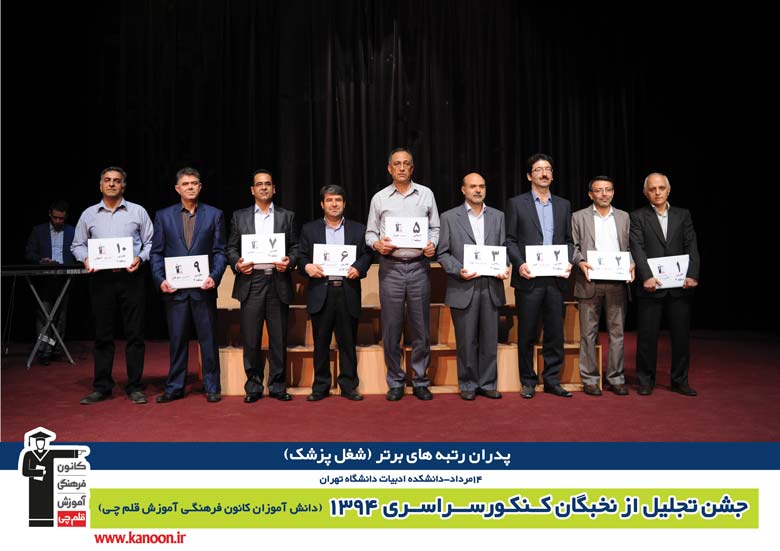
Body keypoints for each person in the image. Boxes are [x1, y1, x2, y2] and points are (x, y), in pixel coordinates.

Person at [71, 166, 154, 405]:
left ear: (123, 186)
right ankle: (102, 386)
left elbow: (151, 242)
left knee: (135, 334)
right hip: (101, 280)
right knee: (102, 335)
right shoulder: (89, 214)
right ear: (100, 185)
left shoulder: (137, 211)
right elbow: (77, 245)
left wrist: (141, 258)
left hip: (131, 278)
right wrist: (86, 259)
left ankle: (135, 386)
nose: (111, 184)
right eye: (107, 180)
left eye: (117, 181)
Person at [365, 147, 440, 401]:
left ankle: (420, 381)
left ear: (412, 168)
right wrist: (377, 245)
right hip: (391, 268)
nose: (401, 167)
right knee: (391, 327)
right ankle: (396, 381)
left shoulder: (426, 195)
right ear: (389, 168)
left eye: (406, 163)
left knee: (421, 328)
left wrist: (432, 244)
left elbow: (435, 228)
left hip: (419, 267)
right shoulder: (379, 198)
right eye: (397, 164)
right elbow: (370, 233)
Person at [150, 167, 228, 403]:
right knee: (177, 340)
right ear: (177, 189)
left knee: (209, 340)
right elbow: (156, 253)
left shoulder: (214, 214)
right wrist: (160, 280)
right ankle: (175, 387)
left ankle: (212, 386)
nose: (190, 187)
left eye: (194, 183)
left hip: (204, 289)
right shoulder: (163, 216)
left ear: (200, 187)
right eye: (185, 184)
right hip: (175, 291)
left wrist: (214, 276)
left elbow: (220, 251)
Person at [226, 169, 299, 402]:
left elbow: (296, 247)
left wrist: (290, 261)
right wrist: (237, 264)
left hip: (278, 280)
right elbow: (231, 248)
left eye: (268, 183)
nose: (264, 187)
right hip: (252, 281)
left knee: (278, 338)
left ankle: (277, 385)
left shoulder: (287, 216)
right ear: (252, 190)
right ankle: (253, 386)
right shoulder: (240, 217)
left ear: (274, 188)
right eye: (259, 184)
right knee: (251, 339)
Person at [505, 153, 574, 399]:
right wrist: (520, 264)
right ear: (529, 176)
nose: (544, 173)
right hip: (529, 278)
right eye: (538, 169)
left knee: (555, 333)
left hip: (555, 279)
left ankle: (552, 380)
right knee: (527, 333)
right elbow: (510, 240)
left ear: (552, 175)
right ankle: (528, 381)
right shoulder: (516, 204)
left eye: (548, 169)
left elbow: (569, 241)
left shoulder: (564, 205)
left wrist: (567, 261)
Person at [436, 173, 510, 400]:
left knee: (489, 339)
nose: (478, 190)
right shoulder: (449, 217)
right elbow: (442, 253)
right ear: (463, 190)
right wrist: (458, 269)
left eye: (482, 186)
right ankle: (468, 384)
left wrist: (505, 265)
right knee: (466, 341)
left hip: (491, 286)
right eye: (473, 186)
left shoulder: (498, 216)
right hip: (463, 285)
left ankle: (488, 383)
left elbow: (504, 248)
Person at [298, 185, 373, 401]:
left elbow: (368, 254)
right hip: (321, 292)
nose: (334, 204)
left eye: (338, 200)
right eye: (329, 200)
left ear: (344, 204)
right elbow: (301, 256)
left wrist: (359, 267)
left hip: (347, 291)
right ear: (322, 204)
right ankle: (321, 386)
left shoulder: (358, 230)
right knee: (320, 343)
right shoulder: (309, 230)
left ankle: (348, 385)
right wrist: (307, 267)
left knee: (347, 342)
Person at [629, 172, 700, 396]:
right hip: (650, 286)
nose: (657, 192)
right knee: (647, 337)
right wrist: (646, 276)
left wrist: (692, 274)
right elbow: (637, 248)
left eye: (661, 188)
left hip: (680, 287)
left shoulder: (683, 214)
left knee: (681, 337)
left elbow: (691, 245)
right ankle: (645, 380)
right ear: (645, 192)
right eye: (652, 189)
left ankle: (680, 381)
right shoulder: (637, 216)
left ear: (668, 190)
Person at [571, 175, 635, 396]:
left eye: (608, 189)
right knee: (588, 333)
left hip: (617, 282)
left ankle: (616, 378)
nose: (604, 194)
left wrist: (632, 264)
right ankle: (590, 379)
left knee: (617, 333)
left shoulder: (624, 217)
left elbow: (630, 248)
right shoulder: (578, 217)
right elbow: (573, 246)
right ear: (591, 194)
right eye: (599, 190)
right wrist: (580, 262)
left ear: (613, 192)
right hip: (589, 281)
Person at [24, 200, 77, 365]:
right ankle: (44, 350)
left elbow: (79, 251)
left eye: (61, 218)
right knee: (44, 316)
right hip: (45, 279)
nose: (58, 221)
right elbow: (29, 253)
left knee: (61, 317)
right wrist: (41, 260)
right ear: (50, 215)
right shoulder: (38, 231)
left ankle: (56, 349)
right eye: (55, 218)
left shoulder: (72, 231)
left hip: (64, 278)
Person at [19, 428, 86, 527]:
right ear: (35, 443)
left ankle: (48, 522)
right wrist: (39, 472)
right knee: (35, 507)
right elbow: (25, 471)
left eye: (42, 442)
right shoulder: (29, 454)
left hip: (48, 485)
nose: (40, 444)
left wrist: (76, 453)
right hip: (34, 486)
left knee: (48, 507)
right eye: (38, 442)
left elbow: (61, 453)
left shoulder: (49, 453)